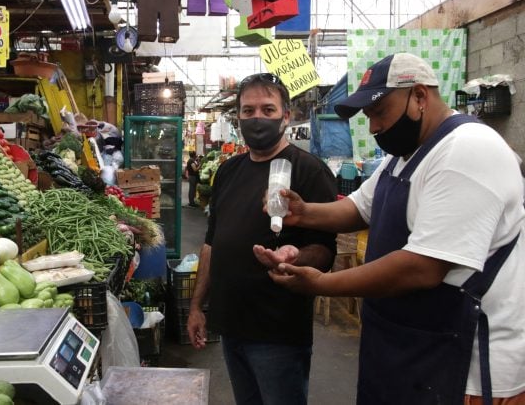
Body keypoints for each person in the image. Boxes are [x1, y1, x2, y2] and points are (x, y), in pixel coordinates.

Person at [255, 53, 525, 405]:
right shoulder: (403, 157)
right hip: (404, 350)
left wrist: (321, 284)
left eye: (379, 112)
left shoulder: (467, 150)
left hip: (463, 368)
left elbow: (422, 267)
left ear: (419, 96)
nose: (373, 127)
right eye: (368, 116)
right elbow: (357, 207)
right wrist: (302, 213)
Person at [187, 73, 337, 405]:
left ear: (286, 116)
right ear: (237, 117)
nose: (257, 118)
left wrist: (293, 257)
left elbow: (325, 251)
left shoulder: (309, 171)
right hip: (231, 325)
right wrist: (197, 306)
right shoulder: (228, 171)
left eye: (268, 110)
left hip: (277, 331)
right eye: (248, 110)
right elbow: (212, 244)